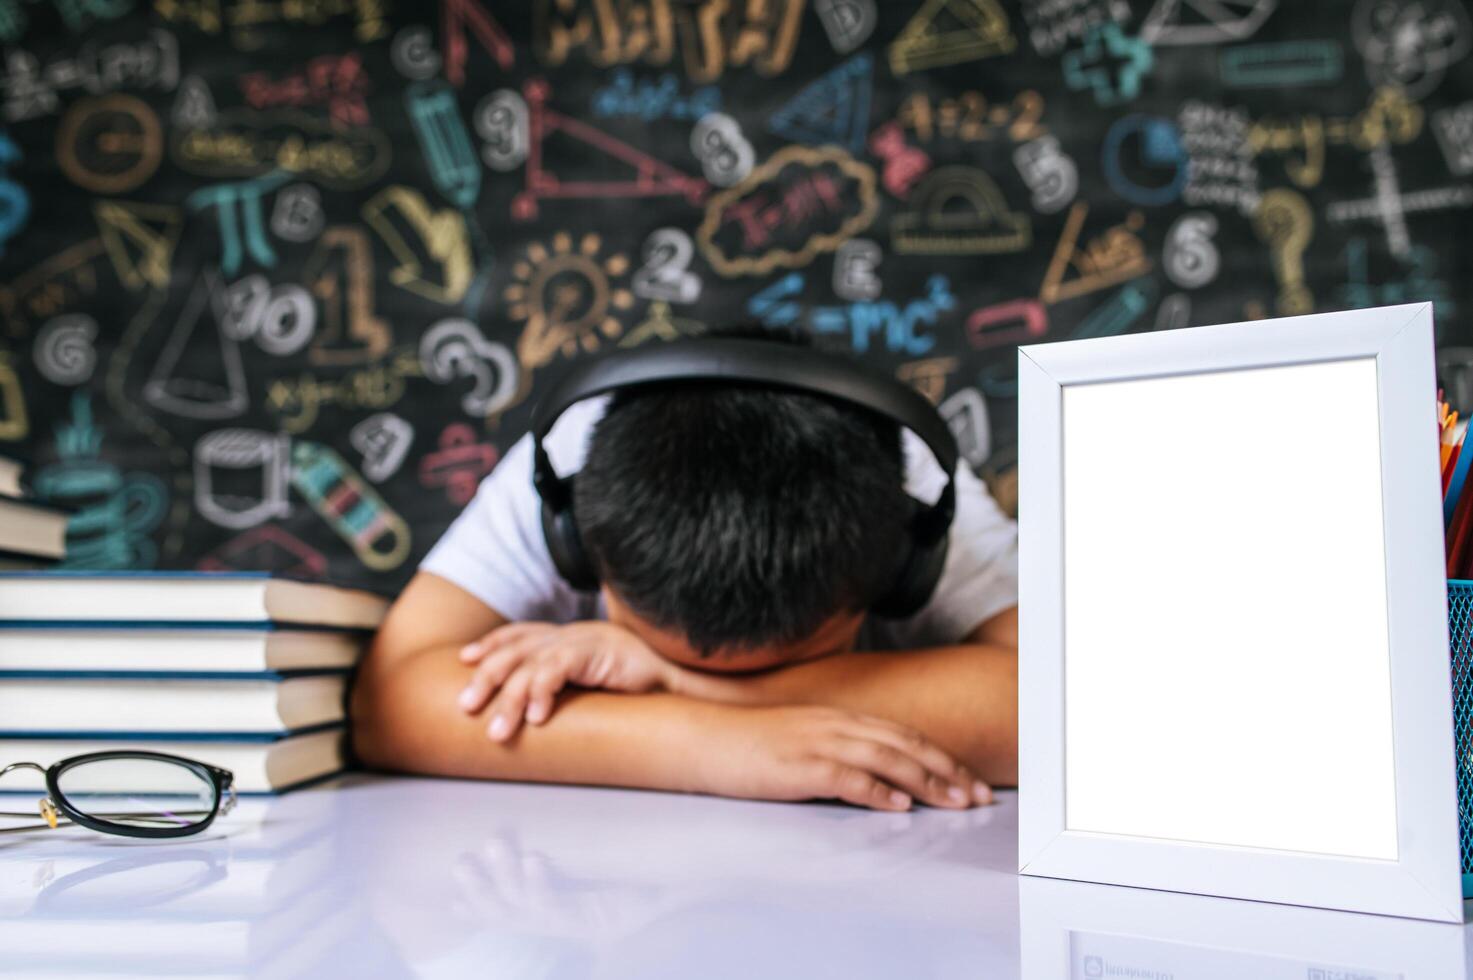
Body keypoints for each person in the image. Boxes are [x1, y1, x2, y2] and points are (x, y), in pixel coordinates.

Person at [351, 327, 1019, 811]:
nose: (709, 681)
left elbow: (1067, 707)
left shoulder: (918, 490)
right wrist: (711, 747)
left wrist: (671, 681)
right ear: (575, 544)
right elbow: (391, 704)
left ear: (908, 564)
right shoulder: (568, 464)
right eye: (671, 655)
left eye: (792, 666)